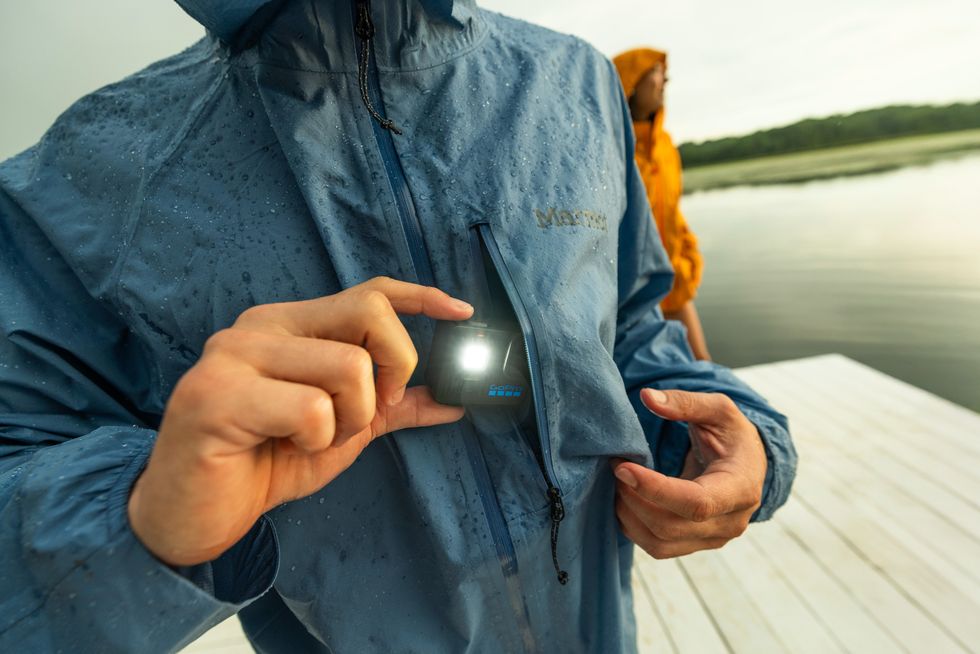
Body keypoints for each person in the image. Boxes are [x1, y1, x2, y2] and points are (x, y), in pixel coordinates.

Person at [0, 1, 797, 652]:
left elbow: (630, 329)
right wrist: (144, 520)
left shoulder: (578, 82)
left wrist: (733, 441)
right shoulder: (81, 185)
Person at [613, 48, 712, 361]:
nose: (665, 79)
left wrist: (687, 251)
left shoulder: (666, 146)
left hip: (674, 280)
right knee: (653, 384)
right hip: (630, 297)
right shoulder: (610, 148)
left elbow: (672, 210)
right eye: (656, 71)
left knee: (703, 365)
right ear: (631, 81)